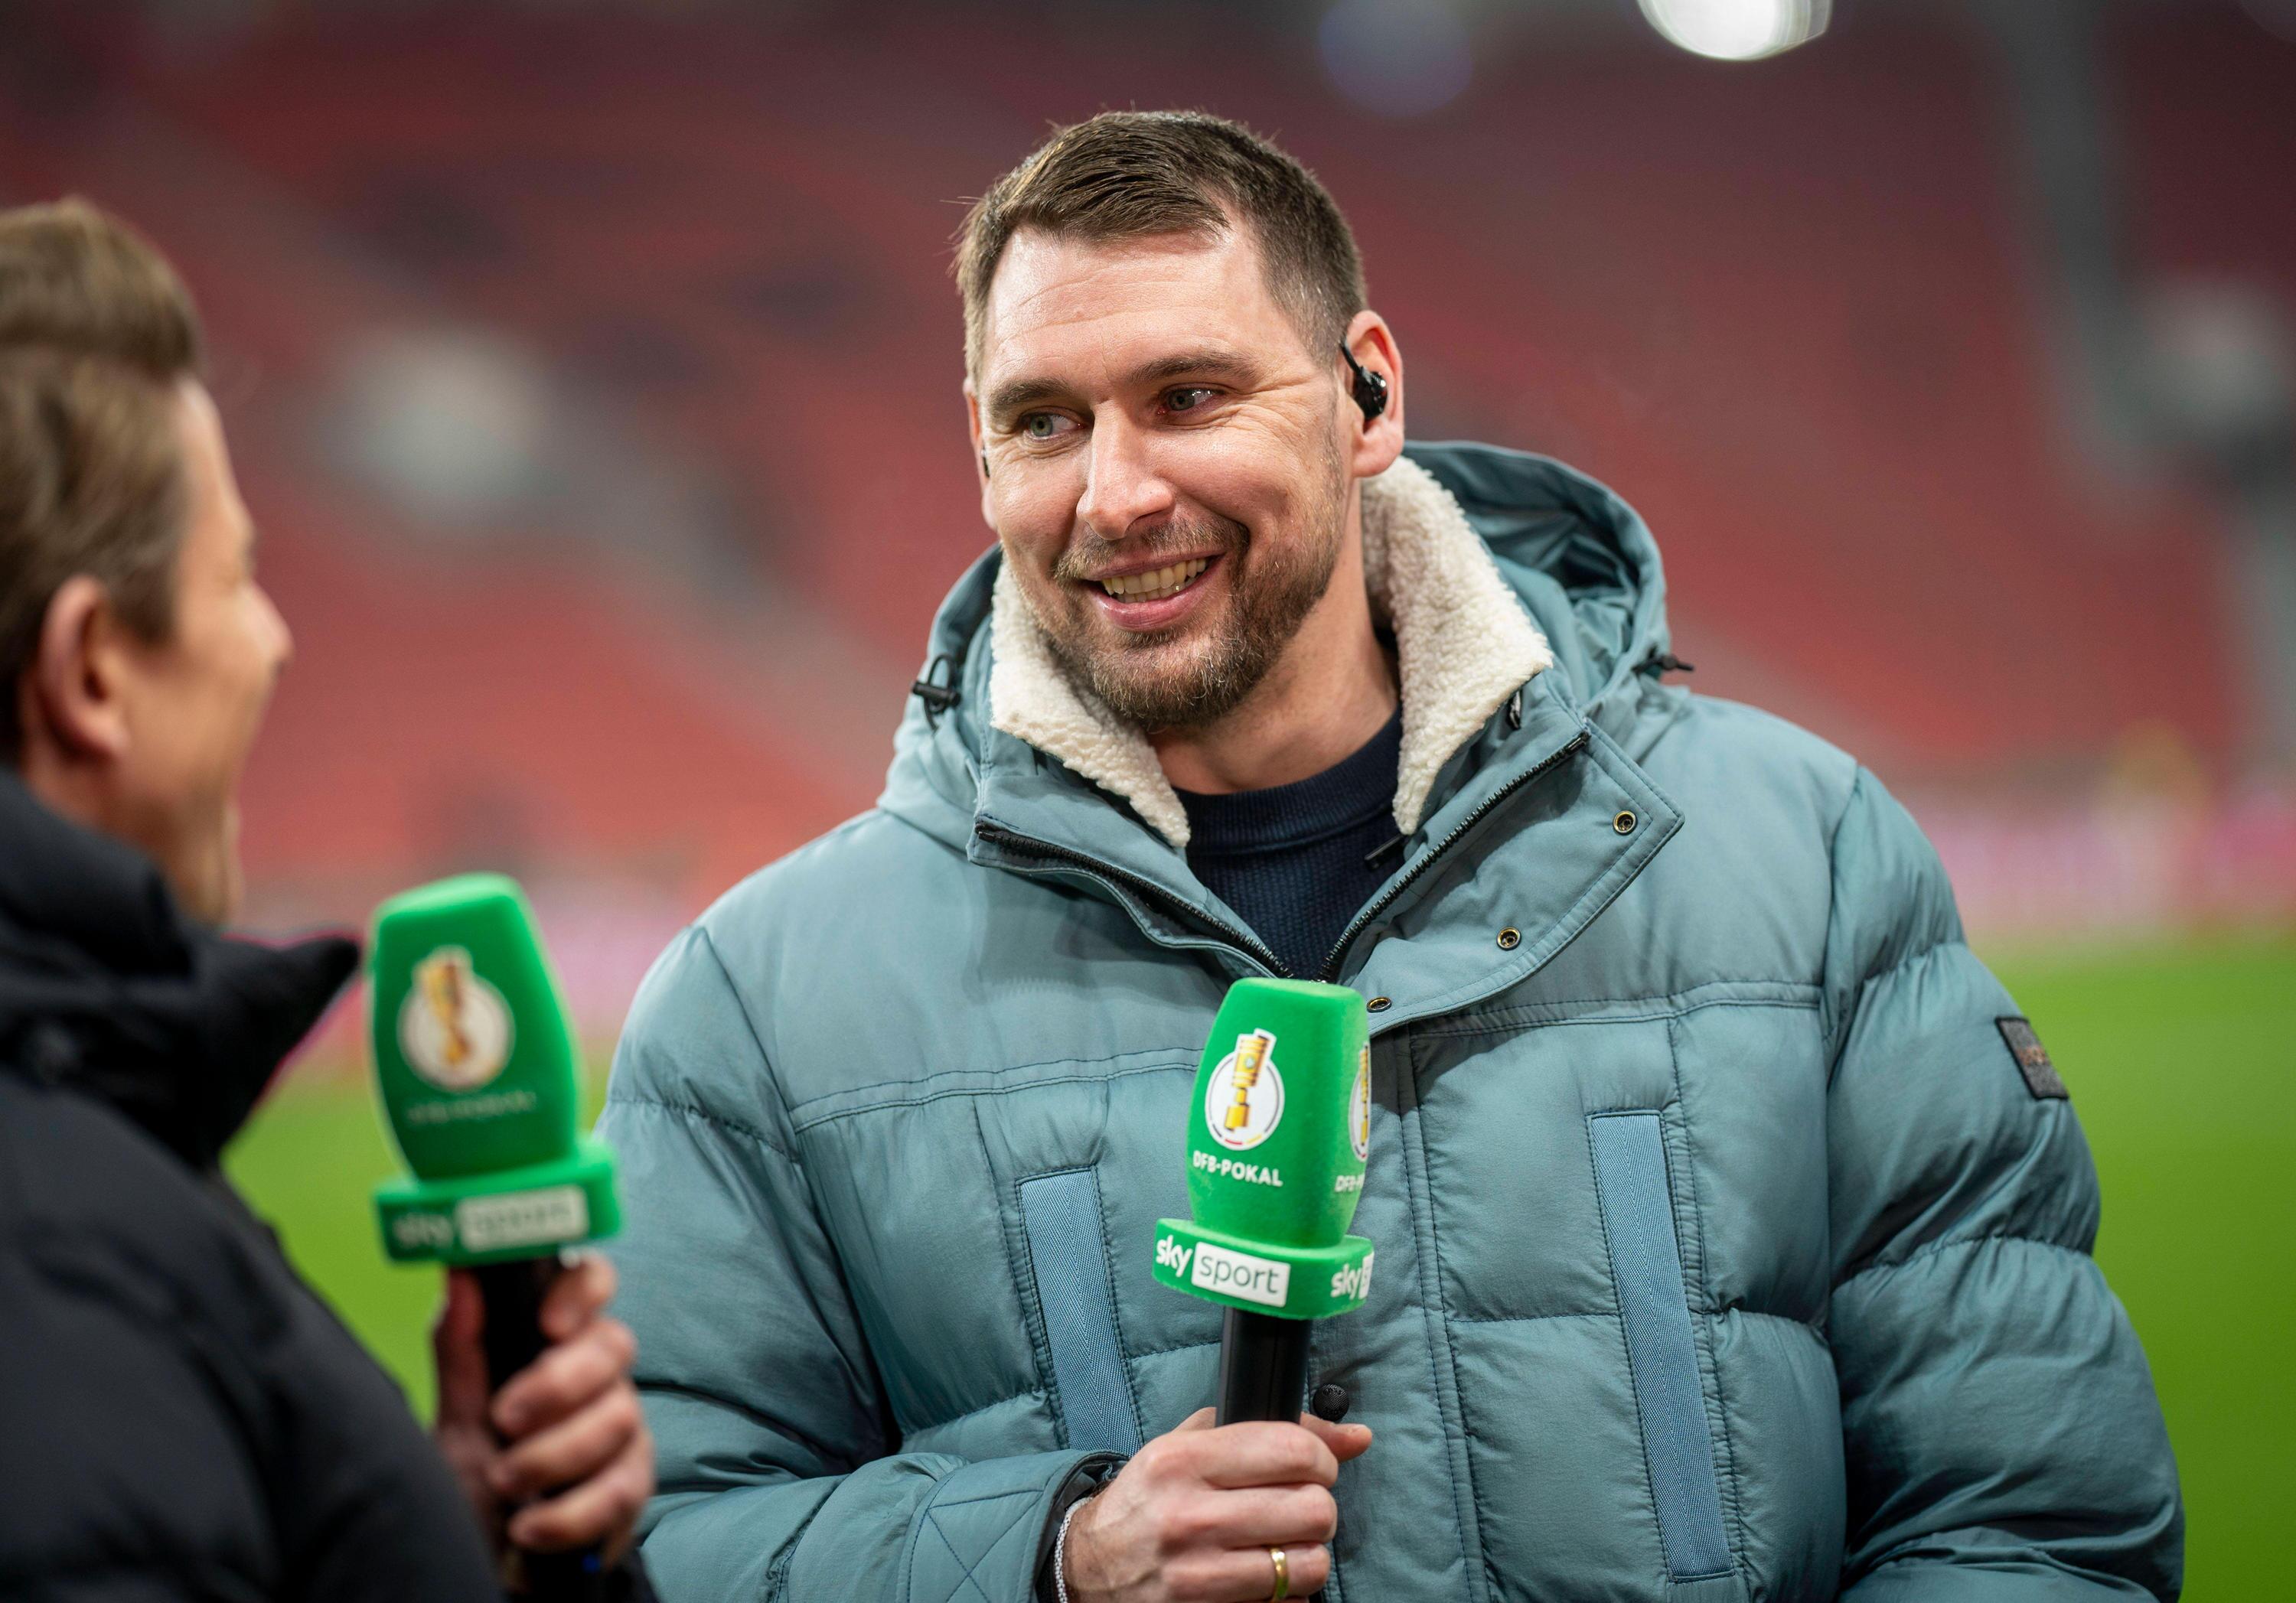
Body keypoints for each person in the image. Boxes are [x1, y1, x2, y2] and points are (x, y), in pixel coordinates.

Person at [598, 112, 2183, 1602]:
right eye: (1045, 422)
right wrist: (1052, 1556)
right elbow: (646, 1550)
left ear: (1368, 393)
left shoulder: (1800, 858)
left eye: (1190, 396)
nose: (1117, 492)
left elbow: (2032, 1516)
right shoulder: (757, 1006)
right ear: (982, 449)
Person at [0, 198, 655, 1601]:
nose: (277, 639)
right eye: (238, 575)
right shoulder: (57, 1267)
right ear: (92, 671)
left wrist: (423, 1539)